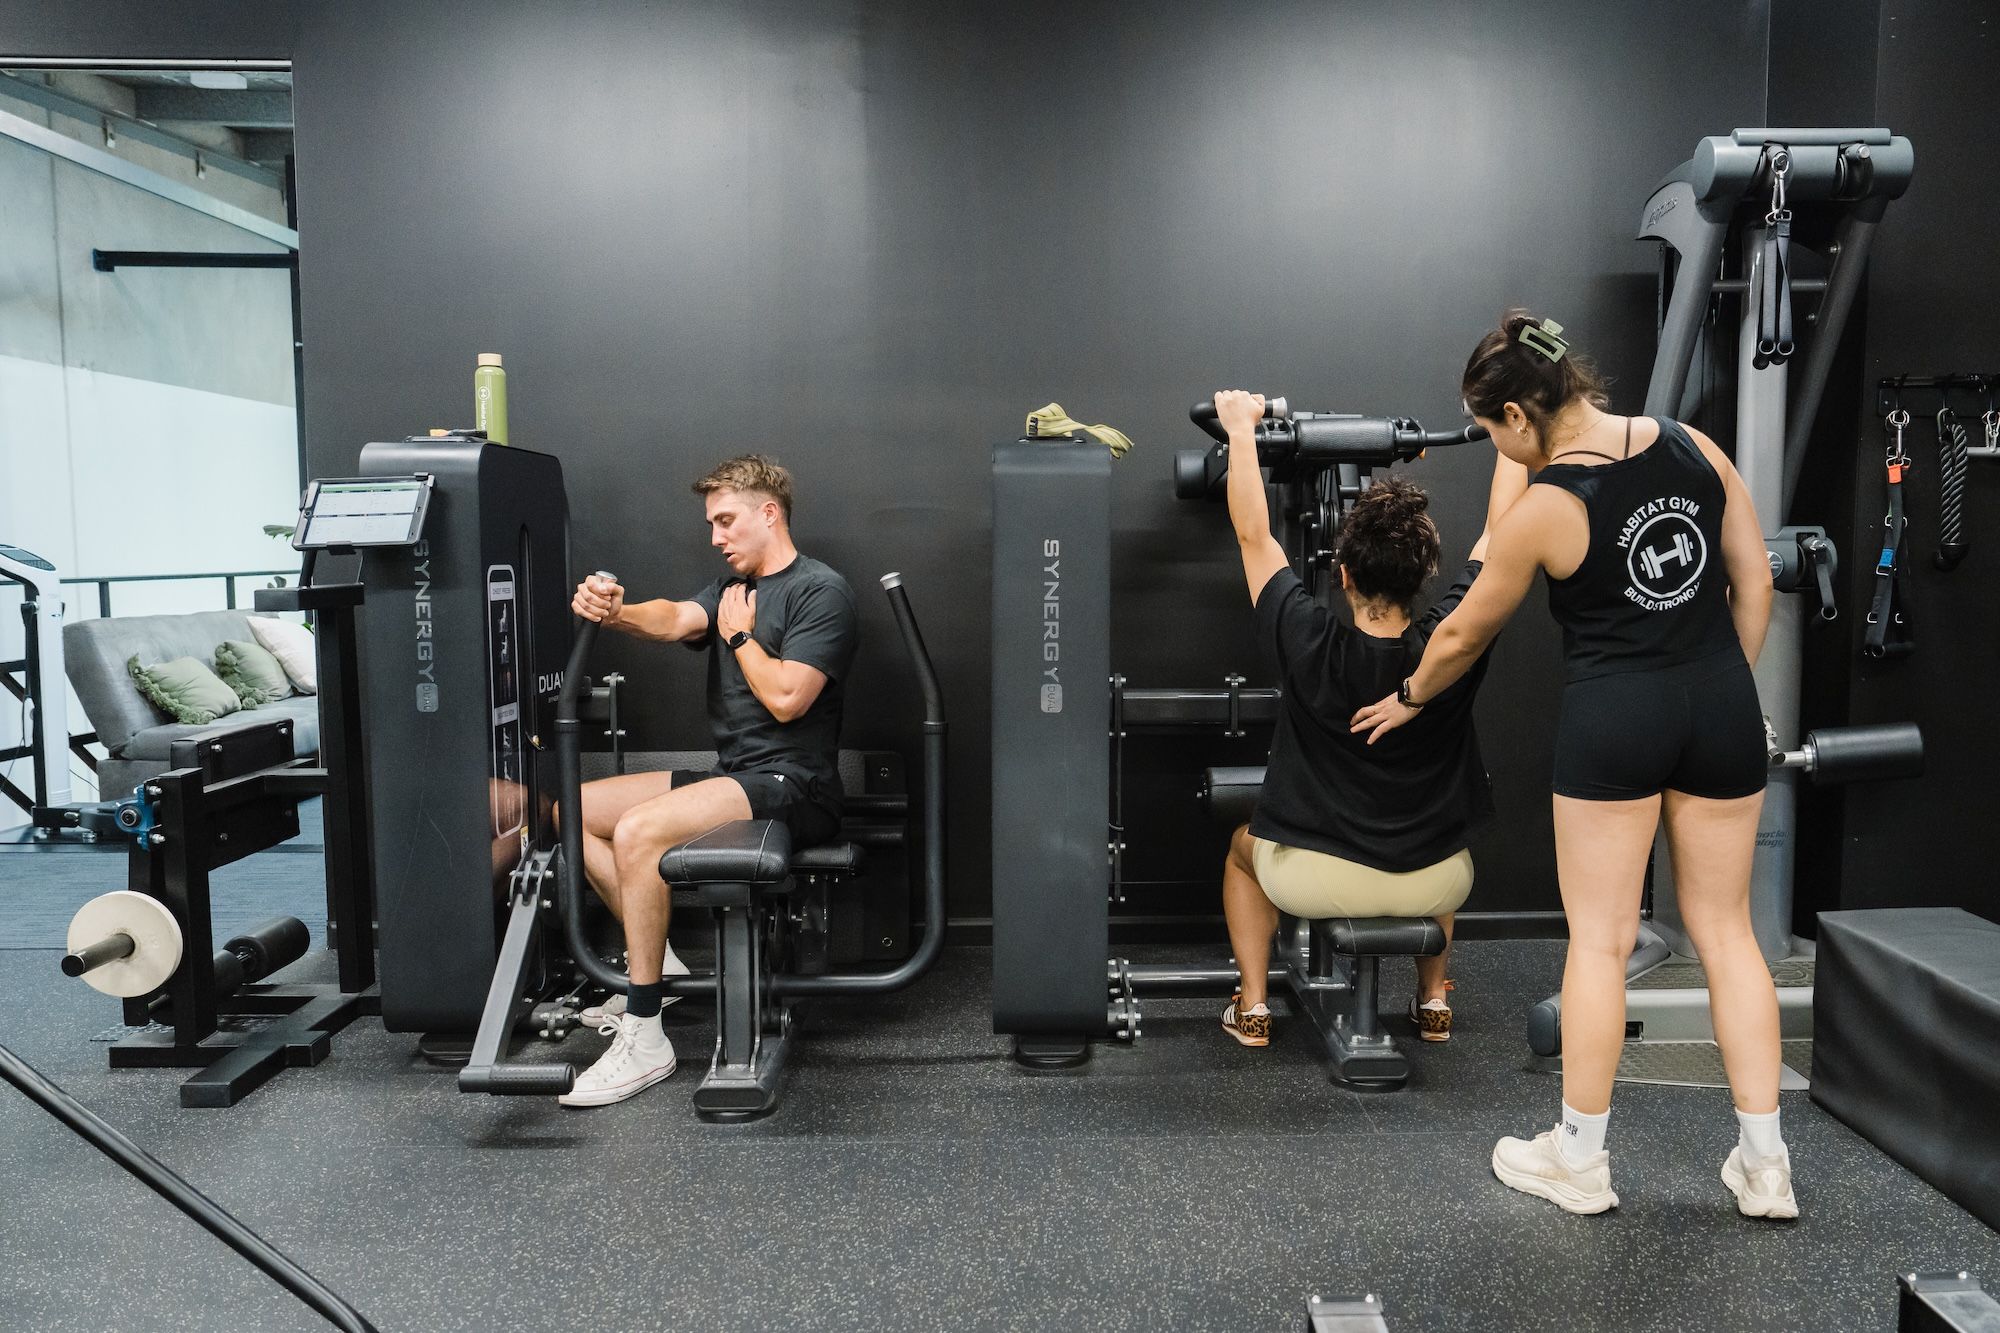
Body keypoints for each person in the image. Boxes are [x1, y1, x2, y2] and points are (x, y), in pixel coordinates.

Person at [1351, 312, 1792, 1219]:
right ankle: (1765, 1166)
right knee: (1731, 935)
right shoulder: (1694, 446)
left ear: (1519, 415)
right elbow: (1753, 582)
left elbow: (1466, 633)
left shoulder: (1552, 504)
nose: (1495, 445)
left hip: (1614, 721)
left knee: (1599, 941)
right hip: (1719, 707)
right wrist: (1714, 689)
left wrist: (1413, 696)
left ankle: (1581, 1162)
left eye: (1491, 430)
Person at [1209, 388, 1523, 1050]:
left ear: (1344, 575)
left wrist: (1241, 429)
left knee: (1242, 852)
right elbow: (1501, 533)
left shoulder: (1305, 634)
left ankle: (1256, 1006)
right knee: (1443, 837)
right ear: (1423, 576)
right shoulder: (1453, 641)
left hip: (1315, 878)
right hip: (1436, 879)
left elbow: (1253, 534)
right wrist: (1513, 427)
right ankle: (1433, 997)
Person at [559, 455, 858, 1107]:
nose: (716, 535)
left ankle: (644, 1033)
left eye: (726, 520)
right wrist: (617, 613)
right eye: (712, 523)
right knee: (568, 808)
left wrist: (743, 634)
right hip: (738, 775)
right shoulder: (729, 589)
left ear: (768, 513)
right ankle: (657, 965)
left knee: (638, 831)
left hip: (795, 783)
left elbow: (787, 700)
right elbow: (672, 618)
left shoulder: (820, 591)